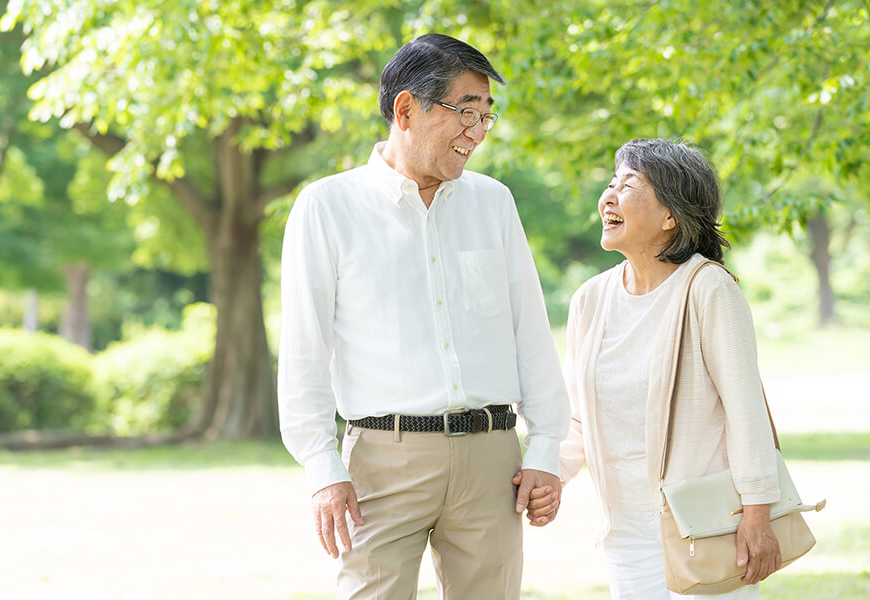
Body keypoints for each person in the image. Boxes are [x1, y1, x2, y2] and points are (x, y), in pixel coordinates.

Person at [278, 33, 569, 599]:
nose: (477, 133)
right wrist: (322, 468)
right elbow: (304, 354)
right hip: (381, 464)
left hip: (493, 461)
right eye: (466, 112)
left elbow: (529, 332)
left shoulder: (494, 202)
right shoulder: (326, 207)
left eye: (487, 116)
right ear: (406, 109)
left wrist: (545, 448)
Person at [524, 138, 781, 599]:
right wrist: (550, 474)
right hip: (625, 533)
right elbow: (576, 418)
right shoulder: (591, 300)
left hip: (706, 527)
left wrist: (758, 516)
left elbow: (747, 415)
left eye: (628, 185)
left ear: (670, 216)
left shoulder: (709, 290)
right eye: (610, 184)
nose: (608, 196)